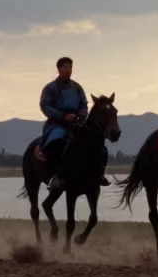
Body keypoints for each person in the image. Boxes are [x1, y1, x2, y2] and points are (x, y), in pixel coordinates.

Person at [39, 57, 111, 189]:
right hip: (57, 123)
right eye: (65, 67)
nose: (68, 70)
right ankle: (54, 177)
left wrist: (81, 116)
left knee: (100, 147)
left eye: (70, 67)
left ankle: (99, 174)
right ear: (59, 69)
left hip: (77, 123)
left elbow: (84, 104)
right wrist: (63, 116)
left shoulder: (77, 87)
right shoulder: (50, 88)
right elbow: (45, 105)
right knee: (55, 143)